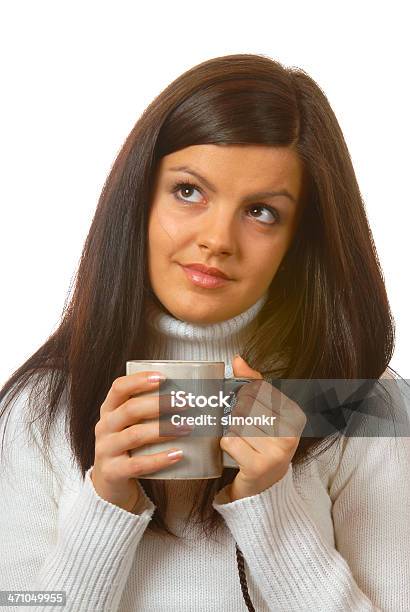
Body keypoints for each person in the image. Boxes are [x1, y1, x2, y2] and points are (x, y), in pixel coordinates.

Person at [0, 52, 409, 612]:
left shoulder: (361, 401)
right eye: (189, 191)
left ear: (299, 239)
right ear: (139, 196)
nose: (217, 238)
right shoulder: (44, 404)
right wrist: (104, 503)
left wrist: (270, 505)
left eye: (261, 211)